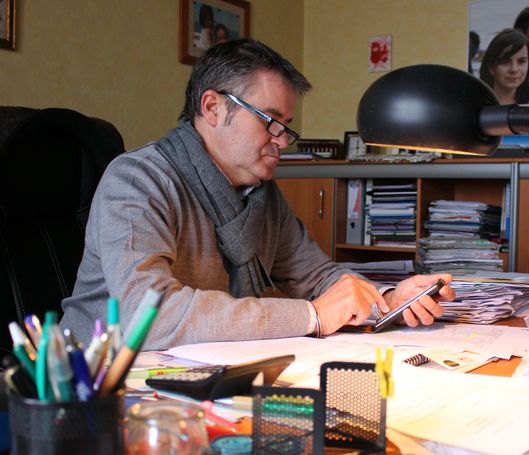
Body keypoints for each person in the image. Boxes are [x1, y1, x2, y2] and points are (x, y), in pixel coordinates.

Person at [60, 39, 453, 350]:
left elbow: (316, 276)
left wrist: (388, 298)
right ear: (212, 108)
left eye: (287, 126)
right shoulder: (137, 181)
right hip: (97, 385)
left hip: (204, 369)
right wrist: (311, 316)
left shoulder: (262, 193)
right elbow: (149, 315)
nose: (281, 141)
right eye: (269, 121)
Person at [480, 29, 529, 105]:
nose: (514, 69)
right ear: (491, 68)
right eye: (505, 62)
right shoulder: (476, 103)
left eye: (521, 61)